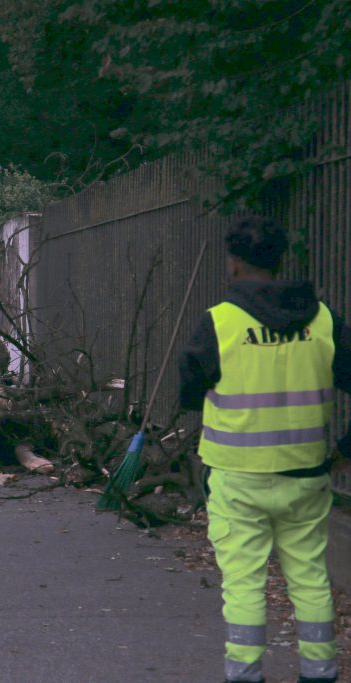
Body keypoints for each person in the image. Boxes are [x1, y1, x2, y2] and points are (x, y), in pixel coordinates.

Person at [178, 215, 351, 683]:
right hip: (307, 478)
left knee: (244, 583)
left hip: (237, 479)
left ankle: (246, 675)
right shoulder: (326, 320)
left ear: (233, 264)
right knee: (311, 577)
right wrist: (346, 447)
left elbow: (189, 394)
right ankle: (319, 673)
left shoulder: (218, 323)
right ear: (279, 261)